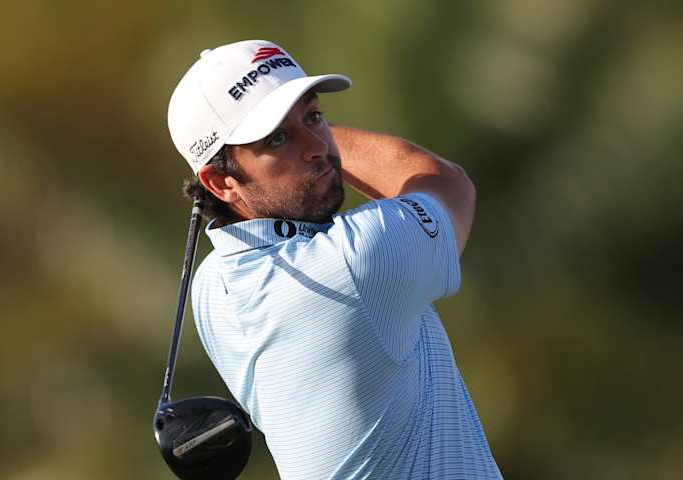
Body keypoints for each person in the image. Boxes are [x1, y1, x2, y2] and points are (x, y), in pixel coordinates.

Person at [167, 39, 502, 479]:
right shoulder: (355, 262)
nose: (317, 146)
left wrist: (289, 128)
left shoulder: (211, 285)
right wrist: (316, 131)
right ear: (221, 182)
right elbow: (447, 184)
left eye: (315, 115)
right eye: (278, 139)